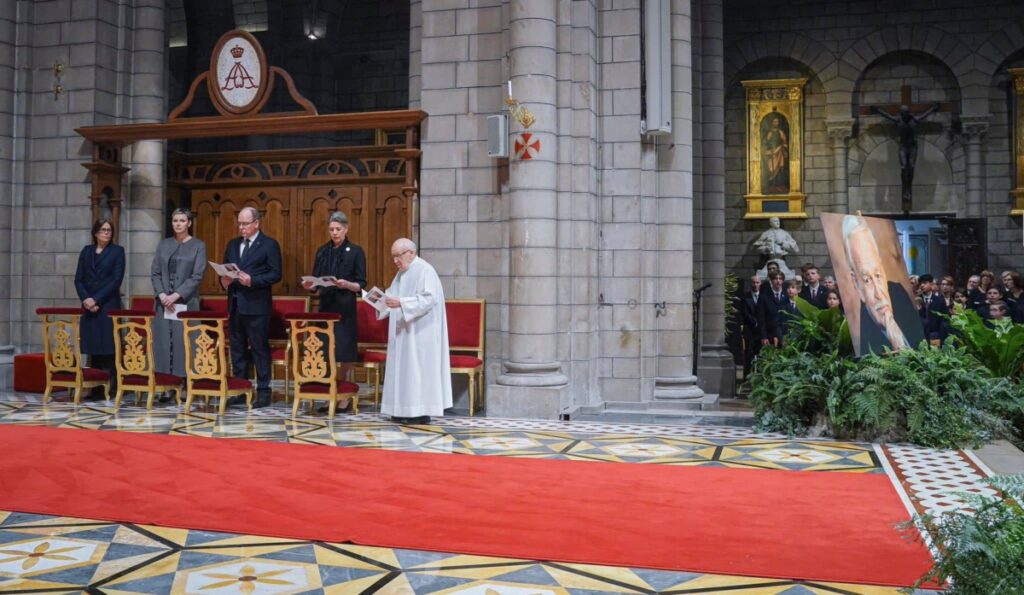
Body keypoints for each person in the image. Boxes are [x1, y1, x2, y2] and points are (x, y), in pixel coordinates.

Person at [379, 238, 452, 424]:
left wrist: (401, 303)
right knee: (402, 370)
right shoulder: (401, 273)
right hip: (403, 332)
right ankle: (400, 409)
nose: (395, 260)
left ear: (411, 253)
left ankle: (419, 412)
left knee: (416, 371)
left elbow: (429, 299)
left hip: (420, 333)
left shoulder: (425, 270)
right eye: (393, 257)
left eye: (398, 256)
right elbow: (392, 295)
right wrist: (380, 301)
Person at [302, 211, 367, 410]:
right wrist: (310, 285)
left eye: (338, 229)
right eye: (331, 229)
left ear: (346, 229)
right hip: (326, 307)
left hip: (345, 307)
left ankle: (344, 396)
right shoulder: (322, 251)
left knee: (344, 351)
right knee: (326, 350)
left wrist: (347, 284)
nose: (335, 233)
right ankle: (329, 392)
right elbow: (315, 280)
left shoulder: (355, 251)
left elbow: (362, 284)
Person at [219, 206, 282, 408]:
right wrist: (224, 281)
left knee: (259, 349)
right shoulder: (232, 244)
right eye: (239, 223)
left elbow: (276, 274)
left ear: (256, 223)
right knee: (237, 349)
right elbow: (224, 269)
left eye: (245, 224)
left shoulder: (269, 244)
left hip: (257, 306)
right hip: (235, 304)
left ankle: (263, 391)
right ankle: (240, 388)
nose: (241, 228)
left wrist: (252, 280)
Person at [841, 214, 923, 354]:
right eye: (867, 280)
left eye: (878, 275)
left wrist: (900, 339)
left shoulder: (898, 293)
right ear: (856, 284)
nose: (879, 294)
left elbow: (920, 346)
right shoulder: (856, 326)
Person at [151, 208, 207, 379]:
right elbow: (155, 273)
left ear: (189, 223)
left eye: (182, 221)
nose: (178, 224)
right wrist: (161, 294)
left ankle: (184, 382)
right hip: (163, 303)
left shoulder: (198, 245)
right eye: (175, 221)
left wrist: (176, 295)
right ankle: (165, 383)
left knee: (183, 342)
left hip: (185, 302)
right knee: (162, 342)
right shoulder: (164, 244)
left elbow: (197, 275)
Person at [74, 218, 125, 399]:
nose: (106, 233)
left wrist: (96, 299)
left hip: (107, 304)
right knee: (93, 346)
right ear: (95, 233)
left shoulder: (117, 251)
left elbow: (116, 280)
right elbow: (78, 278)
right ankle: (95, 388)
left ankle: (111, 387)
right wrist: (86, 299)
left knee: (109, 346)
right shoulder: (86, 251)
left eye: (109, 230)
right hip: (88, 305)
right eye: (103, 230)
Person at [871, 103, 940, 206]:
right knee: (904, 167)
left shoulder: (914, 121)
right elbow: (887, 116)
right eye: (902, 113)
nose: (903, 115)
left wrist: (933, 108)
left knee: (911, 166)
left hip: (912, 147)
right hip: (903, 147)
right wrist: (878, 110)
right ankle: (906, 190)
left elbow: (925, 115)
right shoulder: (898, 121)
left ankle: (908, 188)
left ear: (907, 113)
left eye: (905, 113)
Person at [757, 271, 788, 347]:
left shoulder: (787, 295)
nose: (778, 281)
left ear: (783, 281)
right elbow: (761, 318)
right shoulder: (764, 296)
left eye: (780, 279)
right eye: (775, 278)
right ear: (771, 281)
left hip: (785, 333)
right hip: (770, 333)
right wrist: (763, 336)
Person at [739, 274, 762, 376]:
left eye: (757, 282)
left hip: (761, 330)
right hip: (750, 329)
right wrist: (755, 322)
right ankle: (747, 376)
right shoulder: (745, 297)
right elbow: (745, 313)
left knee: (761, 353)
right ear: (750, 283)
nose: (755, 285)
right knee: (748, 353)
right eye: (753, 282)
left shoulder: (763, 297)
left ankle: (761, 376)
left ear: (760, 284)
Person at [917, 274, 948, 343]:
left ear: (931, 284)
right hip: (920, 336)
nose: (922, 285)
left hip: (935, 336)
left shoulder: (940, 301)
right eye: (920, 283)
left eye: (925, 283)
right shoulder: (916, 300)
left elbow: (943, 320)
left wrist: (941, 338)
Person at [762, 114, 789, 193]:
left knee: (779, 169)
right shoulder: (769, 133)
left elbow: (785, 142)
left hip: (779, 152)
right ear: (772, 123)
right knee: (771, 169)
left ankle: (778, 186)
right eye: (774, 122)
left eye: (777, 122)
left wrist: (783, 148)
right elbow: (765, 143)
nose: (775, 123)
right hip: (771, 153)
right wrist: (770, 149)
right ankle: (771, 186)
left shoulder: (780, 132)